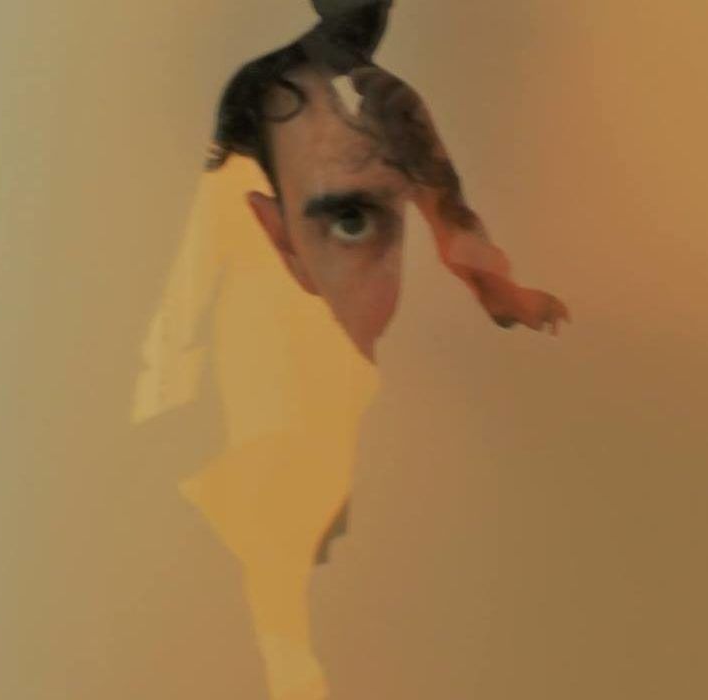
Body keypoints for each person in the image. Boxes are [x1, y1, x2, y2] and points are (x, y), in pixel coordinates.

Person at [135, 2, 567, 698]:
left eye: (359, 219)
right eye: (348, 219)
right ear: (277, 239)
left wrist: (505, 298)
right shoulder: (266, 100)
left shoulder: (379, 103)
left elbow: (453, 227)